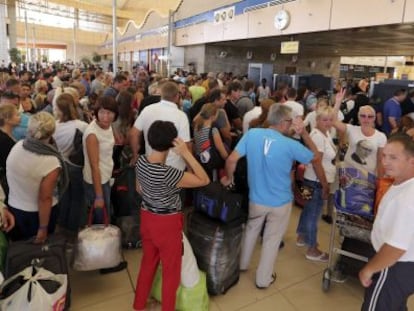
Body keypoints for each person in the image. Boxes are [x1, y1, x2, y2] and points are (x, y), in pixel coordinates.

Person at [221, 104, 328, 289]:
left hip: (256, 198)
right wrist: (303, 134)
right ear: (284, 122)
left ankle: (242, 265)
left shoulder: (252, 134)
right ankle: (263, 279)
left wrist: (229, 178)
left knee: (252, 229)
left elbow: (231, 159)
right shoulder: (291, 145)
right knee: (271, 240)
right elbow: (316, 158)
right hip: (280, 202)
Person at [133, 120, 209, 311]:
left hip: (147, 218)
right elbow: (204, 179)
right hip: (167, 225)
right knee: (171, 271)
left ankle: (139, 304)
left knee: (148, 263)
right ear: (172, 143)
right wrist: (185, 153)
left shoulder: (141, 162)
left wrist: (154, 196)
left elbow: (139, 189)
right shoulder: (169, 174)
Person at [360, 134, 414, 310]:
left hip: (392, 267)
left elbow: (395, 247)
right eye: (384, 156)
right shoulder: (402, 183)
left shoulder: (407, 198)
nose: (385, 162)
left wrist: (369, 269)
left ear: (411, 161)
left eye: (393, 158)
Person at [6, 112, 68, 242]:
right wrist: (43, 228)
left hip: (15, 209)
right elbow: (45, 198)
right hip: (37, 215)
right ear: (52, 132)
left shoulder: (18, 146)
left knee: (20, 252)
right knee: (39, 254)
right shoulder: (51, 161)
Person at [296, 106, 337, 262]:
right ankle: (312, 249)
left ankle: (301, 235)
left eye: (330, 119)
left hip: (309, 179)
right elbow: (316, 163)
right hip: (316, 182)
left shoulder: (324, 133)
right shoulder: (318, 137)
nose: (327, 122)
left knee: (307, 209)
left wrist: (338, 102)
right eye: (324, 119)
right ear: (317, 120)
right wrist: (325, 185)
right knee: (314, 214)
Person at [53, 93, 88, 233]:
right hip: (76, 166)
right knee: (77, 198)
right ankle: (74, 227)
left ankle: (62, 224)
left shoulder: (53, 126)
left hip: (59, 164)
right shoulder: (82, 126)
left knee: (64, 196)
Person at [193, 103, 228, 180]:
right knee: (212, 183)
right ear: (213, 117)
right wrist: (228, 158)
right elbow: (221, 151)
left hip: (200, 161)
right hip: (211, 163)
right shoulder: (213, 130)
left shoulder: (196, 127)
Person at [0, 104, 21, 203]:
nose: (20, 117)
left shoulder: (6, 135)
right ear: (7, 119)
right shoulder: (4, 140)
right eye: (17, 115)